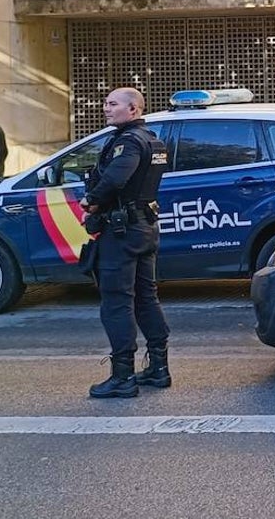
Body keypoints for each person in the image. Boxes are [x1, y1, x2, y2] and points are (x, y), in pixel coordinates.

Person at [80, 87, 170, 399]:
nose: (106, 108)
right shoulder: (152, 140)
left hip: (122, 232)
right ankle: (159, 368)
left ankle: (122, 377)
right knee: (146, 297)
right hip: (144, 227)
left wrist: (91, 201)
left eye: (113, 104)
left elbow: (118, 178)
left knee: (116, 301)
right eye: (105, 102)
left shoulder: (129, 142)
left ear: (133, 109)